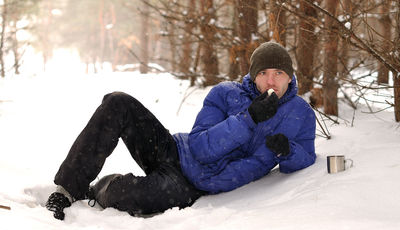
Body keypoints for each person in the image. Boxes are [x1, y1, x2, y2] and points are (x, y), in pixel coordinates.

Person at [46, 41, 316, 220]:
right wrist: (249, 118)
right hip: (174, 150)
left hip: (191, 185)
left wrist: (287, 151)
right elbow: (200, 147)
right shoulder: (225, 93)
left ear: (290, 77)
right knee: (118, 102)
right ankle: (68, 189)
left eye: (278, 73)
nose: (271, 80)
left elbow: (306, 156)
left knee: (126, 196)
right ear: (253, 75)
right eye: (264, 73)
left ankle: (103, 186)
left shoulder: (301, 113)